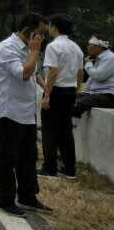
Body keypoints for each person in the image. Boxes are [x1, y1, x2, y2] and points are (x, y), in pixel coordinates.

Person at [0, 13, 52, 216]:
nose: (42, 38)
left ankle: (27, 196)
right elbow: (24, 73)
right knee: (8, 157)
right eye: (41, 33)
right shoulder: (7, 47)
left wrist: (47, 90)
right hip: (9, 111)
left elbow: (34, 74)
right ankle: (6, 200)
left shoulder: (28, 49)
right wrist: (35, 50)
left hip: (26, 111)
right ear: (28, 30)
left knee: (29, 157)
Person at [39, 15, 84, 179]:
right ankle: (69, 169)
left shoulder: (53, 46)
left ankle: (50, 168)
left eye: (50, 25)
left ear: (55, 27)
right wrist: (77, 89)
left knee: (49, 129)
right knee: (66, 130)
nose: (48, 28)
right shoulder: (77, 48)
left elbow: (52, 71)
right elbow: (80, 73)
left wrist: (47, 95)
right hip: (70, 92)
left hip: (56, 91)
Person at [73, 36, 114, 117]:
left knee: (79, 103)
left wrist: (88, 64)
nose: (88, 47)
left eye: (90, 45)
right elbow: (91, 81)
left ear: (99, 47)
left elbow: (98, 76)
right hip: (97, 94)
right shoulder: (99, 58)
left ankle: (67, 125)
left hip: (108, 95)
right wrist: (83, 92)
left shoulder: (111, 58)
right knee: (67, 99)